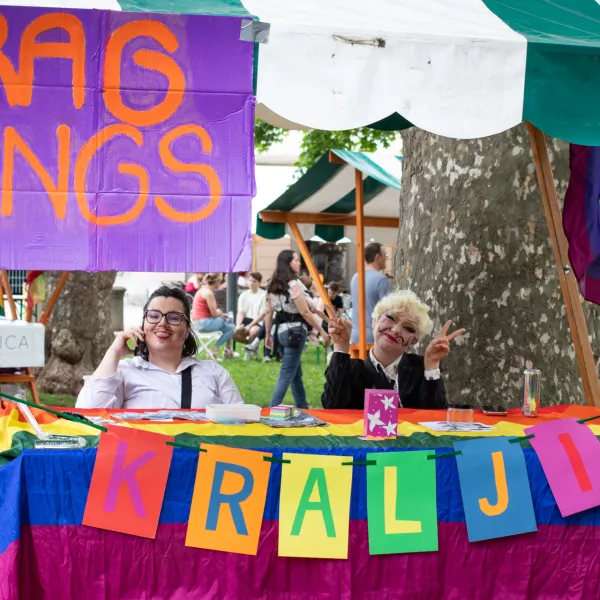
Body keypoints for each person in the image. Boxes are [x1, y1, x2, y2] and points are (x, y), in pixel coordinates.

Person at [76, 286, 243, 409]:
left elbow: (242, 425)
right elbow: (89, 415)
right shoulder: (124, 372)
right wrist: (113, 352)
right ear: (143, 324)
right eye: (154, 316)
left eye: (174, 318)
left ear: (186, 331)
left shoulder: (214, 372)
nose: (162, 323)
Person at [321, 290, 466, 409]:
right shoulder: (349, 370)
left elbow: (437, 418)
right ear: (374, 321)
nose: (396, 330)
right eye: (391, 318)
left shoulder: (421, 369)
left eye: (408, 328)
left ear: (414, 341)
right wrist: (340, 348)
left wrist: (432, 366)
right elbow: (332, 408)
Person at [264, 250, 329, 408]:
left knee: (295, 374)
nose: (299, 263)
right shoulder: (294, 285)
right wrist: (321, 330)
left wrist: (267, 335)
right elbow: (305, 312)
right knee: (286, 375)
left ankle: (302, 407)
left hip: (280, 332)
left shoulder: (271, 285)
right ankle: (272, 409)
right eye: (296, 260)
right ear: (288, 263)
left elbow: (268, 312)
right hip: (296, 333)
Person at [350, 242, 390, 348]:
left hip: (355, 335)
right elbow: (388, 311)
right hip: (373, 336)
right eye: (385, 255)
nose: (386, 258)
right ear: (377, 257)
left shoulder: (355, 277)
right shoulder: (381, 279)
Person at [192, 273, 238, 360]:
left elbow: (209, 313)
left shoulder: (203, 290)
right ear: (217, 282)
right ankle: (227, 350)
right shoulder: (208, 293)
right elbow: (214, 313)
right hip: (202, 324)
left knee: (231, 328)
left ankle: (215, 349)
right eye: (220, 281)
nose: (220, 283)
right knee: (227, 319)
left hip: (200, 323)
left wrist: (221, 315)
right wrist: (220, 312)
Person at [236, 272, 266, 360]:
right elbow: (240, 312)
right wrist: (238, 325)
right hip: (246, 320)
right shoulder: (243, 295)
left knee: (252, 331)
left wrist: (250, 326)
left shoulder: (263, 295)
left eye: (254, 281)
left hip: (258, 321)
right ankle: (253, 347)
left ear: (259, 283)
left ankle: (248, 351)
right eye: (250, 280)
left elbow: (262, 314)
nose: (251, 283)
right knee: (236, 330)